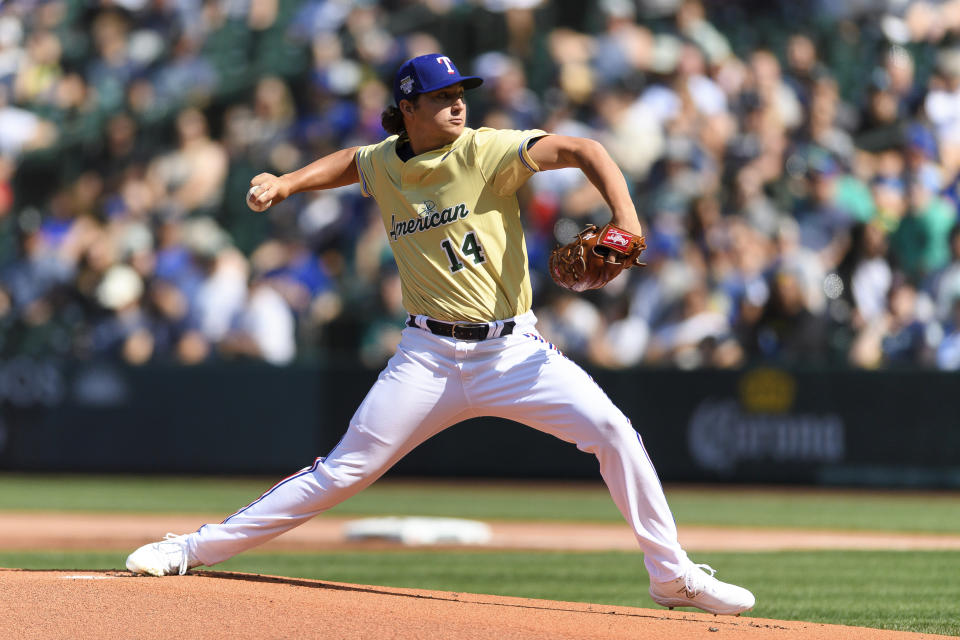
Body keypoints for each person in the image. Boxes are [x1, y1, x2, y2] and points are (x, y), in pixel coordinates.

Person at [126, 53, 755, 616]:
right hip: (425, 356)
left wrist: (626, 218)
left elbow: (586, 149)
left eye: (461, 92)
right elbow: (353, 162)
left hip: (513, 352)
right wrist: (288, 182)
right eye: (441, 95)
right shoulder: (385, 163)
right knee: (343, 472)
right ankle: (190, 547)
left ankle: (671, 576)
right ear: (408, 108)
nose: (458, 102)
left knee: (615, 433)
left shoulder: (485, 149)